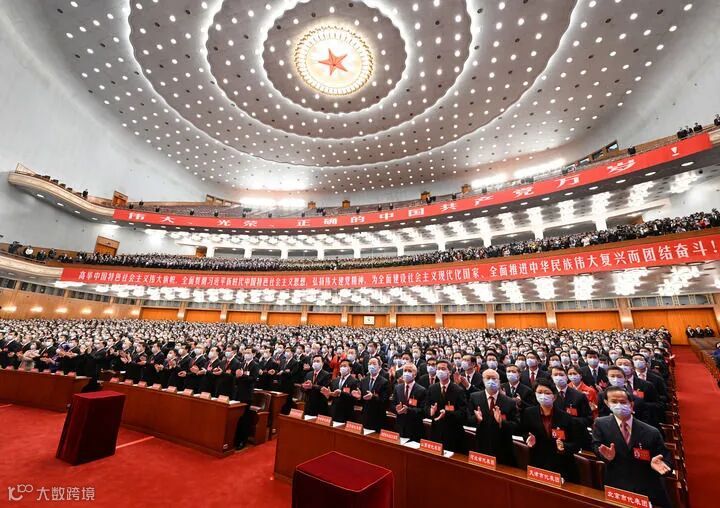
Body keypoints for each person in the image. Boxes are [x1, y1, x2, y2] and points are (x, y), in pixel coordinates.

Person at [592, 387, 673, 507]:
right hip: (617, 487)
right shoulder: (601, 424)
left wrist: (662, 466)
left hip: (647, 489)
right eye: (614, 401)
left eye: (623, 402)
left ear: (631, 404)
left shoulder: (651, 432)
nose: (619, 405)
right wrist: (605, 456)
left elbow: (666, 460)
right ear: (607, 403)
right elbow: (596, 445)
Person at [520, 379, 580, 482]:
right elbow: (524, 432)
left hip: (562, 466)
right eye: (539, 392)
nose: (543, 396)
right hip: (538, 463)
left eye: (547, 393)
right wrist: (528, 438)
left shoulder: (565, 417)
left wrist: (564, 446)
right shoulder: (529, 413)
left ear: (554, 396)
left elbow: (576, 444)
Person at [467, 368, 518, 466]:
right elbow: (468, 420)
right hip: (481, 444)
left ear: (499, 381)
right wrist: (477, 419)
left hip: (502, 447)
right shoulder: (474, 397)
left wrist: (501, 422)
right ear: (483, 380)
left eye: (494, 378)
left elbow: (516, 425)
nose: (491, 381)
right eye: (488, 378)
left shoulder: (509, 401)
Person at [425, 359, 468, 453]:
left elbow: (463, 413)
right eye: (438, 369)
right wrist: (430, 411)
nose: (440, 371)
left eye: (443, 369)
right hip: (436, 431)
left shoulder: (458, 390)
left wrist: (447, 413)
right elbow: (426, 406)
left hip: (453, 433)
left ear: (450, 372)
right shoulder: (432, 388)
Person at [393, 363, 426, 442]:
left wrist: (408, 410)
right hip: (400, 426)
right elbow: (392, 404)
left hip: (414, 428)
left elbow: (423, 410)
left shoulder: (421, 390)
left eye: (409, 371)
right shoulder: (397, 388)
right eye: (405, 370)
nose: (406, 373)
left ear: (415, 375)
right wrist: (396, 409)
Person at [356, 357, 390, 432]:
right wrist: (359, 397)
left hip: (378, 417)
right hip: (365, 416)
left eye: (374, 364)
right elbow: (361, 401)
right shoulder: (364, 380)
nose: (371, 366)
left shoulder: (384, 382)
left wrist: (373, 397)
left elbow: (385, 401)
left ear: (379, 367)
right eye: (369, 364)